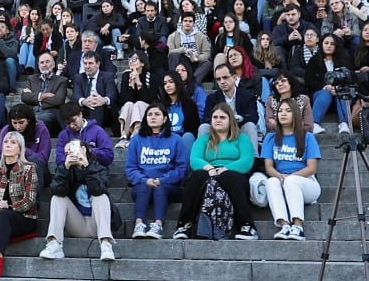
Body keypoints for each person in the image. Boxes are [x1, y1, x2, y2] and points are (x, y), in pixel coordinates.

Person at [174, 102, 257, 240]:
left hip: (234, 173)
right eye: (215, 117)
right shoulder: (204, 139)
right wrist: (210, 168)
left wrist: (225, 169)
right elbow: (195, 159)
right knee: (195, 177)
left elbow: (247, 161)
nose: (218, 120)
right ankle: (185, 225)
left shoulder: (241, 138)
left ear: (230, 119)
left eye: (222, 117)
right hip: (209, 171)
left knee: (229, 177)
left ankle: (247, 226)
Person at [40, 136, 118, 261]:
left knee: (101, 197)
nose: (71, 154)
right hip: (78, 224)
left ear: (83, 149)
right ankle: (55, 244)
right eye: (68, 152)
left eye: (74, 149)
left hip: (97, 224)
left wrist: (87, 167)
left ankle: (106, 244)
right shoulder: (65, 169)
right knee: (57, 198)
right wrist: (65, 169)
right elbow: (57, 191)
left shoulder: (99, 168)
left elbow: (98, 190)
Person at [254, 96, 320, 240]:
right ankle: (284, 225)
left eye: (288, 111)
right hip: (282, 180)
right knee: (271, 181)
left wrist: (290, 178)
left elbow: (311, 168)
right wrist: (280, 177)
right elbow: (269, 167)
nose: (283, 114)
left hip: (307, 183)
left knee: (292, 181)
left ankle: (298, 227)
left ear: (295, 114)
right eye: (280, 111)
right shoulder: (271, 138)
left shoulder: (307, 137)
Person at [0, 130, 40, 276]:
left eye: (13, 143)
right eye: (5, 142)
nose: (8, 145)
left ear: (20, 149)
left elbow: (30, 200)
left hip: (24, 218)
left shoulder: (29, 169)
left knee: (5, 214)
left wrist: (10, 206)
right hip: (0, 216)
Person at [125, 103, 188, 239]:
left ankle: (158, 225)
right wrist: (144, 180)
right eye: (149, 114)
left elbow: (181, 168)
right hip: (142, 185)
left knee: (160, 189)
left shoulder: (176, 140)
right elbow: (131, 168)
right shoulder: (136, 140)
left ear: (165, 119)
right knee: (143, 188)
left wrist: (162, 180)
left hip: (169, 186)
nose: (153, 117)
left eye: (157, 114)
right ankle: (139, 224)